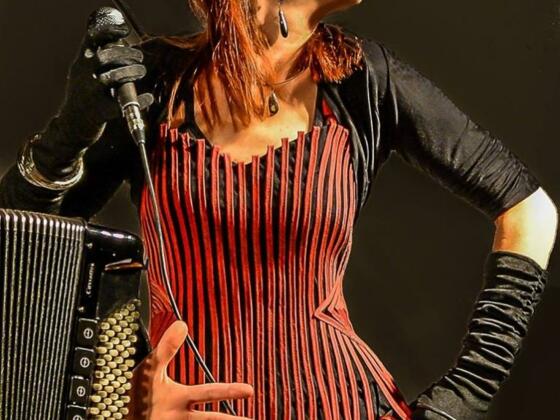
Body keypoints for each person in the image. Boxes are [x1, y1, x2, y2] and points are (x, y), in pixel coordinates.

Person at [0, 1, 556, 419]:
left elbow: (529, 209)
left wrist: (461, 399)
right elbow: (21, 253)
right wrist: (67, 135)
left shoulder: (362, 81)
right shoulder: (150, 84)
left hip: (345, 405)